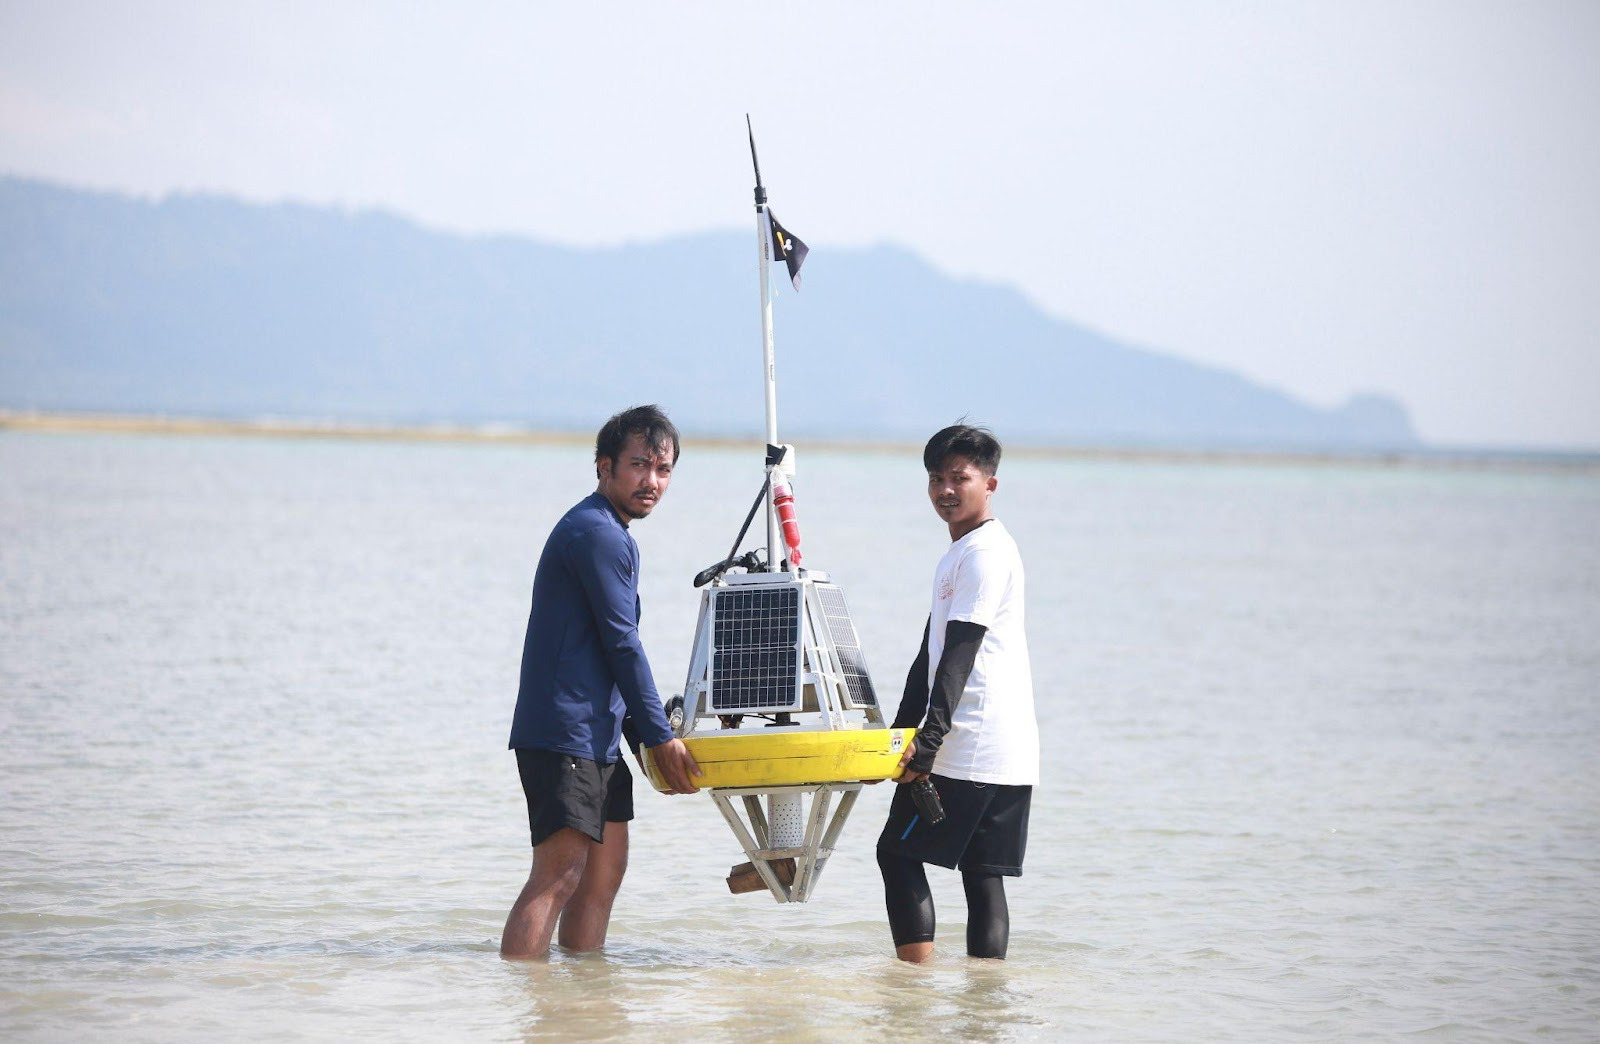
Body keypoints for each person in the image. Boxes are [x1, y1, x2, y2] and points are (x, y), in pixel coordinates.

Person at [500, 404, 702, 960]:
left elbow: (615, 654)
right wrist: (661, 736)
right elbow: (623, 644)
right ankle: (526, 1003)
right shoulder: (596, 533)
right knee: (557, 876)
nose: (652, 482)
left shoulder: (613, 532)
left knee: (603, 875)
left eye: (663, 470)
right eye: (639, 465)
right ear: (603, 466)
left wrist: (642, 738)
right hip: (564, 733)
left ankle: (581, 1010)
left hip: (599, 738)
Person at [877, 423, 1039, 963]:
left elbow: (959, 653)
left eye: (959, 478)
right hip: (1008, 751)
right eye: (936, 478)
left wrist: (926, 744)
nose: (946, 489)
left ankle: (912, 996)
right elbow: (928, 653)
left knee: (896, 853)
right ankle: (984, 1009)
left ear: (989, 484)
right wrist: (899, 729)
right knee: (983, 876)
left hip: (967, 746)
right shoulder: (967, 551)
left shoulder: (984, 554)